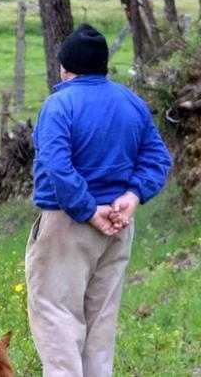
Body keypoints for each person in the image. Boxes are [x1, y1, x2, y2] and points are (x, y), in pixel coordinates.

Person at [26, 23, 173, 376]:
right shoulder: (131, 103)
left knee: (57, 315)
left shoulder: (59, 104)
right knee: (101, 322)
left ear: (65, 67)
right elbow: (158, 158)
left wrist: (89, 210)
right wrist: (133, 195)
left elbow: (58, 167)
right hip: (119, 226)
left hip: (66, 223)